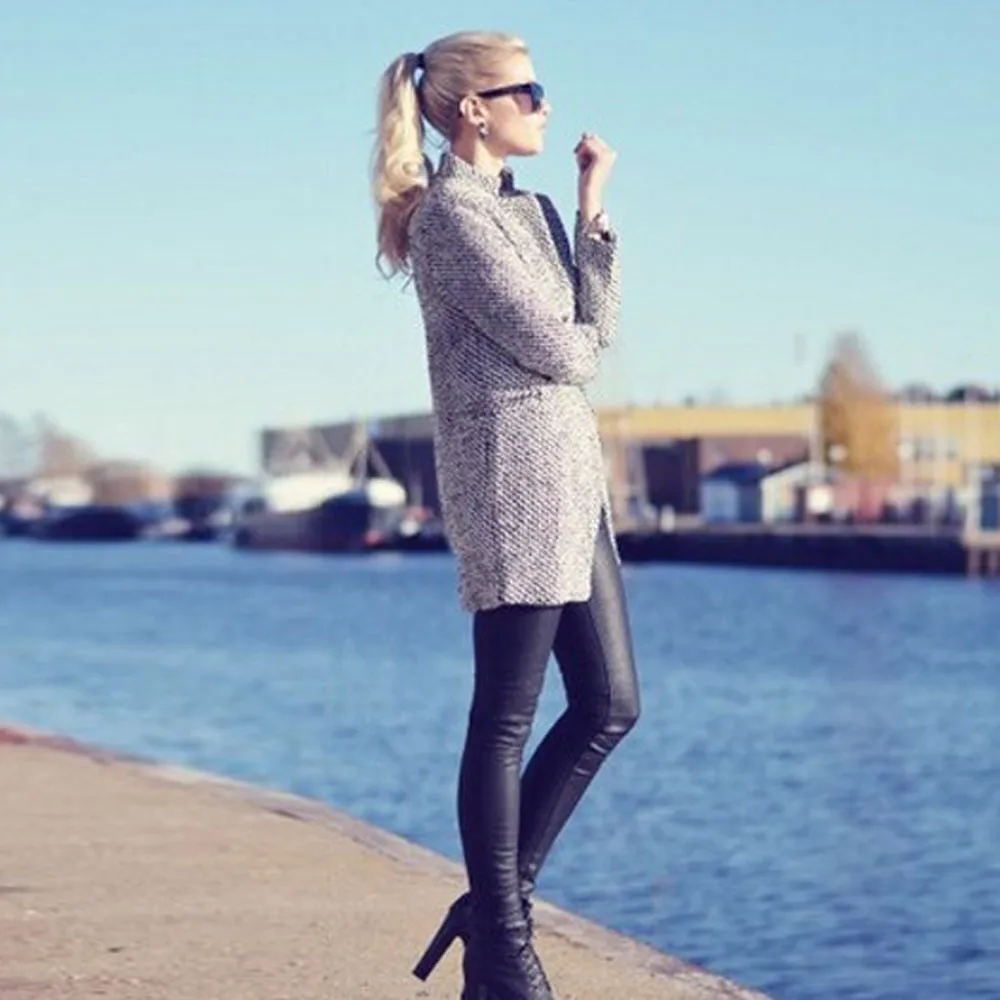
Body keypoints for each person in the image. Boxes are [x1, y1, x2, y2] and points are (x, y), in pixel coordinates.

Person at [372, 30, 641, 1000]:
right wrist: (578, 331)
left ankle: (489, 914)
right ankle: (503, 943)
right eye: (526, 90)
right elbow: (565, 351)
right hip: (512, 488)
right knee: (504, 720)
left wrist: (590, 207)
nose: (543, 105)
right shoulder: (450, 219)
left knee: (611, 704)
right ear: (472, 110)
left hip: (573, 484)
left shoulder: (531, 211)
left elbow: (595, 335)